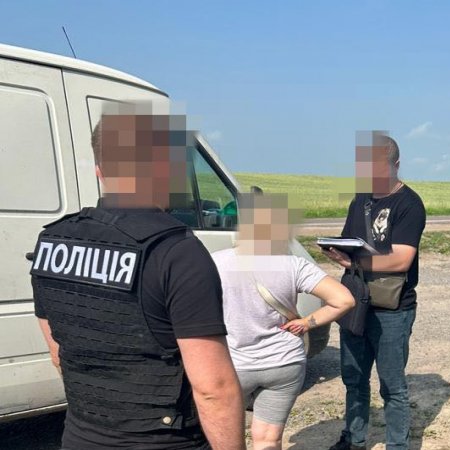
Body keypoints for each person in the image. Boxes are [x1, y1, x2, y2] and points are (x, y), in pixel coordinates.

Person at [30, 105, 245, 450]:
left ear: (100, 172)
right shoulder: (176, 251)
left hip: (81, 436)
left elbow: (60, 355)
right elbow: (213, 389)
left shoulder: (52, 241)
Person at [212, 192, 355, 450]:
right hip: (284, 362)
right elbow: (344, 300)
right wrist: (307, 323)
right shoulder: (294, 265)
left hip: (235, 364)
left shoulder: (216, 262)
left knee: (226, 439)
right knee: (268, 439)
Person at [324, 132, 426, 450]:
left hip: (392, 309)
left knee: (392, 385)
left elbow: (401, 259)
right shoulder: (361, 200)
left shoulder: (409, 204)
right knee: (353, 378)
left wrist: (355, 261)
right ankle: (354, 439)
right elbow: (349, 241)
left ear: (396, 164)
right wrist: (337, 251)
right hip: (355, 301)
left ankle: (397, 445)